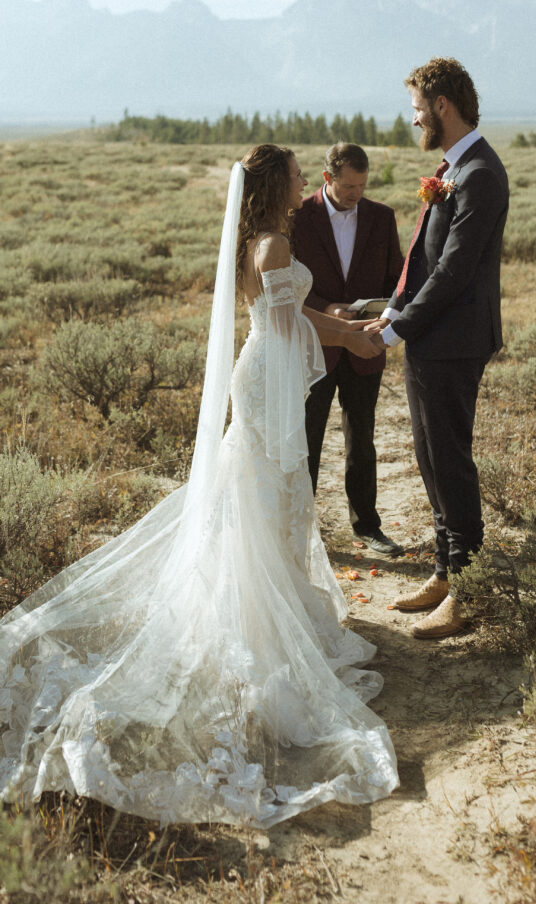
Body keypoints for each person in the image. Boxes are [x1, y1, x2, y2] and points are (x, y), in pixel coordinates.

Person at [0, 145, 398, 827]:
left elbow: (293, 319)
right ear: (278, 186)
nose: (308, 182)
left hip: (271, 374)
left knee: (272, 498)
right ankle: (258, 634)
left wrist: (346, 328)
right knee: (267, 495)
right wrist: (354, 335)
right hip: (268, 380)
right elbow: (288, 322)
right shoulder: (271, 246)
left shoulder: (265, 241)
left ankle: (272, 615)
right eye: (300, 175)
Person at [369, 58, 509, 639]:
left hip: (454, 342)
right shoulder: (450, 167)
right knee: (428, 456)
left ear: (443, 107)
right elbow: (419, 259)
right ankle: (444, 572)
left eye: (419, 109)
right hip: (430, 337)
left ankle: (468, 591)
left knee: (450, 459)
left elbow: (454, 271)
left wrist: (398, 330)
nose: (415, 119)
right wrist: (394, 311)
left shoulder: (479, 173)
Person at [293, 142, 404, 556]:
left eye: (362, 185)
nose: (356, 193)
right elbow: (289, 284)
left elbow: (397, 279)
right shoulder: (298, 216)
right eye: (348, 186)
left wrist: (386, 316)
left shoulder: (382, 217)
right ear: (327, 178)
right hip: (314, 344)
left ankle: (368, 527)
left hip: (365, 345)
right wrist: (327, 309)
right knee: (307, 438)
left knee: (362, 439)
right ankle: (302, 530)